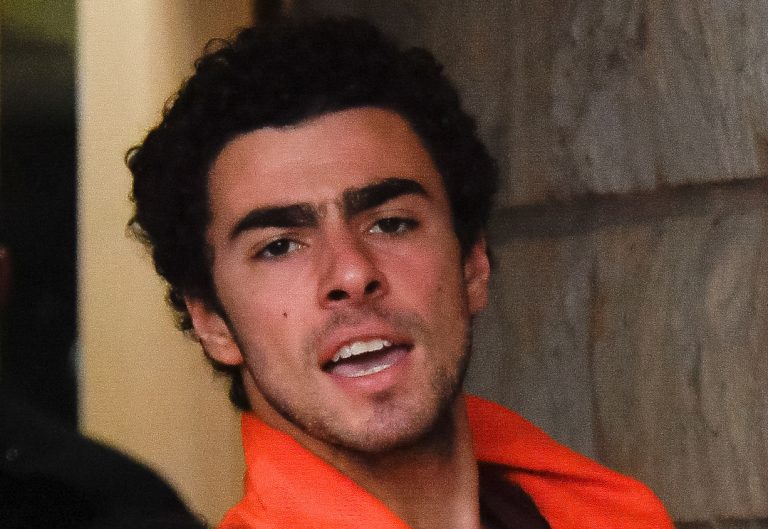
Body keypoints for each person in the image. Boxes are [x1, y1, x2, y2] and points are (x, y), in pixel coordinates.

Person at [128, 17, 674, 529]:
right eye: (280, 247)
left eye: (390, 224)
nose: (351, 272)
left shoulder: (600, 514)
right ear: (213, 323)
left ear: (472, 264)